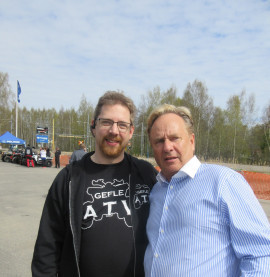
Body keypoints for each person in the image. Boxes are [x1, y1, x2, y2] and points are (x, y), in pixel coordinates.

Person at [32, 91, 157, 277]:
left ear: (130, 132)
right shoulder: (69, 179)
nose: (114, 131)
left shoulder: (146, 175)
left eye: (122, 125)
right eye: (106, 122)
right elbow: (46, 251)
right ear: (94, 126)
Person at [144, 104, 270, 276]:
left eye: (175, 138)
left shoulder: (223, 182)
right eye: (159, 141)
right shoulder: (156, 191)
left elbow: (261, 253)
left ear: (191, 141)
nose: (167, 147)